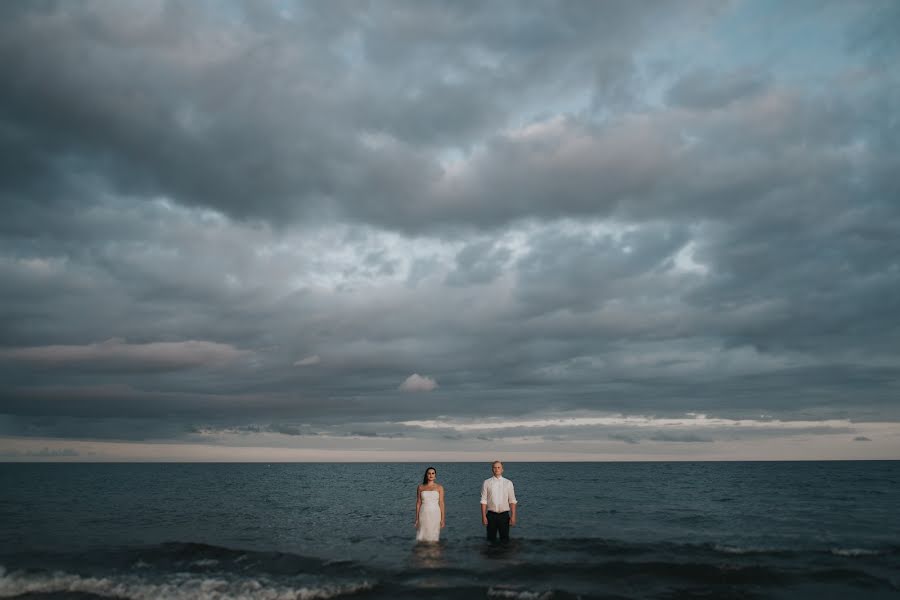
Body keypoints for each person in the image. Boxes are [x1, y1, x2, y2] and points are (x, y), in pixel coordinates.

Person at [480, 460, 517, 542]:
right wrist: (483, 516)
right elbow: (483, 501)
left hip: (504, 516)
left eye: (499, 467)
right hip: (491, 516)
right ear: (492, 469)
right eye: (495, 467)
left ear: (502, 469)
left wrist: (513, 516)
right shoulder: (486, 482)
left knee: (505, 540)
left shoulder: (508, 483)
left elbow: (512, 501)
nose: (497, 469)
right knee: (490, 540)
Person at [415, 466, 445, 542]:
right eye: (429, 473)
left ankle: (434, 552)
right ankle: (422, 552)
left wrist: (442, 519)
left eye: (433, 473)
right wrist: (417, 519)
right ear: (426, 475)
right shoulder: (420, 487)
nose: (431, 475)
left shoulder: (439, 487)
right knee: (422, 535)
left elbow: (441, 503)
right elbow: (418, 503)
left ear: (435, 476)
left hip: (435, 513)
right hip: (423, 513)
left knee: (434, 535)